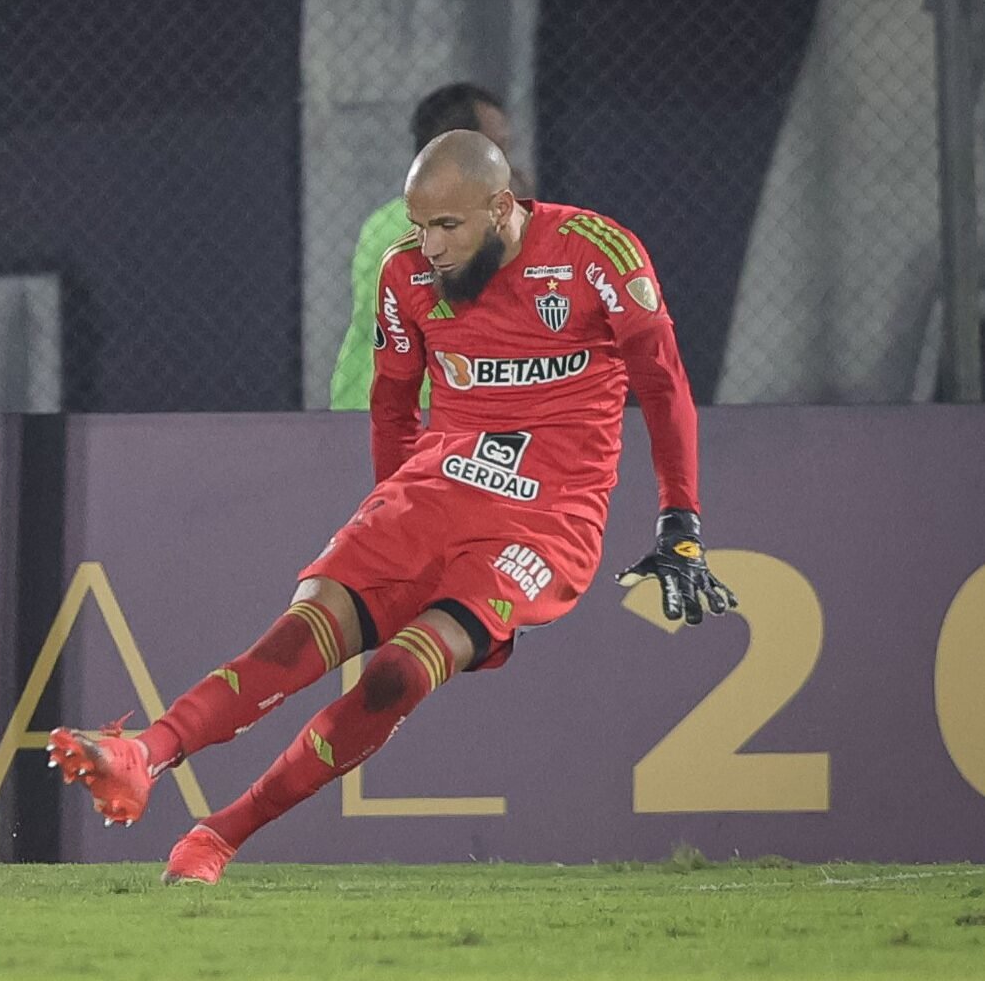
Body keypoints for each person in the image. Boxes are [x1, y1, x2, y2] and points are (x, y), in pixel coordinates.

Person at [48, 131, 737, 884]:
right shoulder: (405, 275)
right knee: (294, 640)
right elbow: (391, 405)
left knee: (396, 677)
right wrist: (391, 509)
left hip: (546, 520)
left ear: (502, 207)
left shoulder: (594, 252)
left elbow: (663, 383)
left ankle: (219, 835)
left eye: (448, 226)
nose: (430, 246)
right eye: (420, 225)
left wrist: (681, 523)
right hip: (432, 492)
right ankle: (142, 753)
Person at [329, 83, 518, 411]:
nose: (509, 165)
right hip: (418, 411)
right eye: (497, 149)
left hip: (372, 401)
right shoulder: (418, 229)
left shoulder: (383, 220)